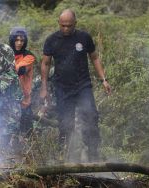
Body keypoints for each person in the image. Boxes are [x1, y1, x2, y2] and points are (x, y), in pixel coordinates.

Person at [39, 9, 111, 162]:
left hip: (82, 85)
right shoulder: (51, 40)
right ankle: (63, 155)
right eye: (63, 25)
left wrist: (103, 79)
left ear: (75, 24)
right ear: (59, 23)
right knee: (65, 122)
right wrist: (44, 88)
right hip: (62, 87)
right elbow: (45, 63)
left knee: (91, 116)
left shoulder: (84, 37)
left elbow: (95, 58)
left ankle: (93, 153)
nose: (66, 29)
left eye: (69, 26)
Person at [9, 27, 36, 134]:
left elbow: (19, 69)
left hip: (24, 101)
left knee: (27, 134)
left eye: (22, 40)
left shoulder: (28, 56)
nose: (19, 43)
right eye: (16, 40)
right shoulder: (6, 54)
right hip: (8, 101)